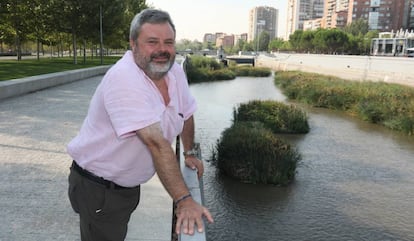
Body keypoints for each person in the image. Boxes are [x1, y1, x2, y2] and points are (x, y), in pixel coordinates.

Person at [67, 8, 214, 241]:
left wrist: (190, 152)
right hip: (99, 189)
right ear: (133, 44)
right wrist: (184, 201)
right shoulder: (124, 79)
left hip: (124, 187)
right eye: (152, 42)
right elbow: (156, 144)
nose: (162, 50)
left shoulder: (174, 71)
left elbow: (186, 113)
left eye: (168, 42)